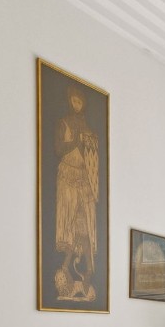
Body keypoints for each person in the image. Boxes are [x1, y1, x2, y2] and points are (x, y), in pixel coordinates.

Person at [53, 84, 99, 302]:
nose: (76, 105)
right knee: (70, 223)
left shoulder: (89, 131)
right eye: (74, 101)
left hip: (83, 180)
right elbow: (58, 149)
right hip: (68, 178)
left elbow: (93, 160)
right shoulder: (64, 123)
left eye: (80, 102)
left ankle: (87, 270)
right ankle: (65, 269)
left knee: (84, 227)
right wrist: (75, 141)